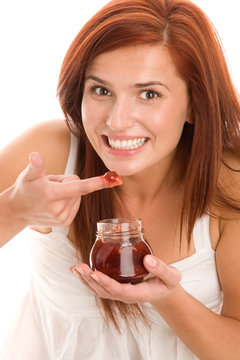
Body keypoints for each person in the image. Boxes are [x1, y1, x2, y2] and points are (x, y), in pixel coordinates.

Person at [0, 0, 240, 358]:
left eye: (149, 94)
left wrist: (169, 299)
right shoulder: (48, 155)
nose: (117, 121)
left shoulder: (229, 183)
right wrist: (14, 211)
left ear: (195, 103)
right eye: (100, 90)